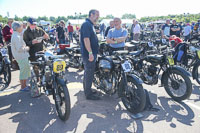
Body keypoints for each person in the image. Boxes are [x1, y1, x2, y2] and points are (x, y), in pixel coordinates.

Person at [80, 9, 100, 100]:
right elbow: (86, 39)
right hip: (89, 54)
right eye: (97, 15)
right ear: (91, 15)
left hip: (90, 53)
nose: (98, 17)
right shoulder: (86, 24)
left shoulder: (90, 25)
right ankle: (88, 94)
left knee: (88, 72)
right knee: (89, 73)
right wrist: (90, 53)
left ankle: (87, 90)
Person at [11, 21, 31, 91]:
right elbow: (19, 49)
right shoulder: (16, 36)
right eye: (21, 26)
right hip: (21, 56)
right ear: (17, 28)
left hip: (21, 56)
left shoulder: (16, 34)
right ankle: (23, 86)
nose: (22, 27)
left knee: (24, 70)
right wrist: (27, 48)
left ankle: (24, 85)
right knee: (24, 71)